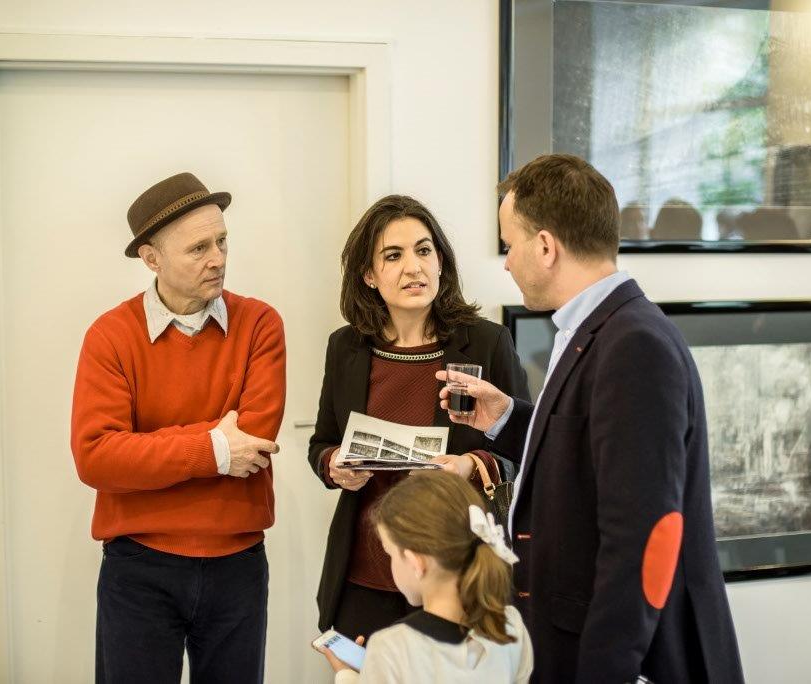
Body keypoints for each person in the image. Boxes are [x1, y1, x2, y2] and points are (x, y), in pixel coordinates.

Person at [437, 154, 745, 682]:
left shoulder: (635, 345)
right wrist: (507, 416)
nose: (507, 264)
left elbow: (639, 539)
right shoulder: (598, 328)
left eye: (510, 245)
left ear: (546, 247)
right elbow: (588, 451)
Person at [70, 172, 286, 683]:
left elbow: (253, 441)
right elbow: (97, 458)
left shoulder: (260, 324)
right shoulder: (110, 336)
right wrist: (213, 448)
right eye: (198, 248)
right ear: (152, 259)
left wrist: (146, 450)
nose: (218, 258)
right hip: (138, 567)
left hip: (238, 563)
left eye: (222, 241)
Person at [308, 194, 529, 639]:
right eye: (393, 256)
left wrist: (470, 466)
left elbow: (524, 448)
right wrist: (334, 466)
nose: (414, 267)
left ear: (440, 261)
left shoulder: (487, 343)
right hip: (365, 575)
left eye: (424, 250)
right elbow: (323, 443)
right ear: (369, 275)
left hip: (454, 576)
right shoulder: (345, 347)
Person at [319, 470, 533, 683]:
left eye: (390, 553)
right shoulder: (511, 625)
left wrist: (348, 676)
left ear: (415, 562)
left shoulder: (391, 648)